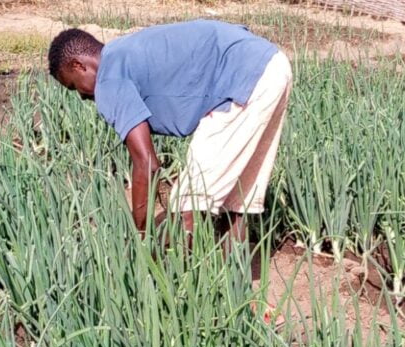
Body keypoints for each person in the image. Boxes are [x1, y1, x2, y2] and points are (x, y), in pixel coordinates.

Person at [47, 20, 292, 247]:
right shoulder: (123, 53)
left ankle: (155, 282)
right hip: (270, 64)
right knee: (236, 203)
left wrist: (140, 236)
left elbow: (147, 164)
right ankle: (238, 291)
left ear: (79, 66)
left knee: (186, 205)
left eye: (73, 86)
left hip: (241, 79)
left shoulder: (108, 79)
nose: (80, 95)